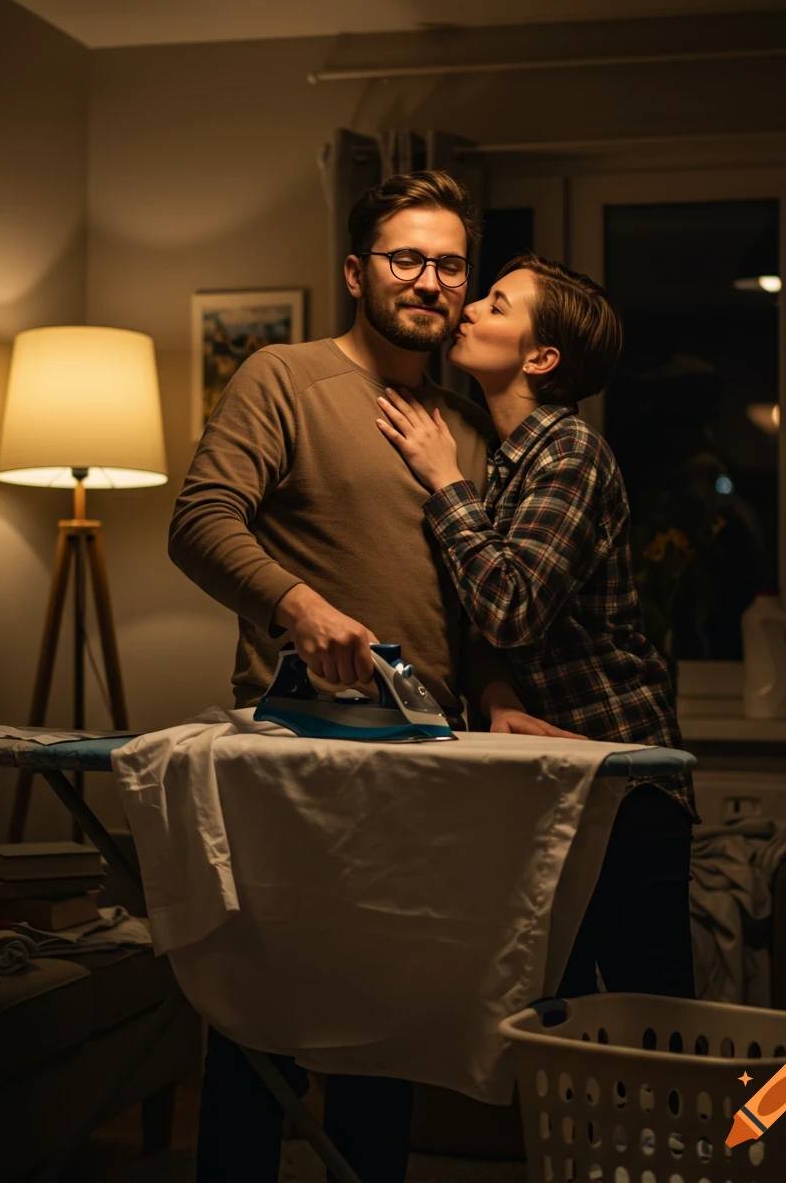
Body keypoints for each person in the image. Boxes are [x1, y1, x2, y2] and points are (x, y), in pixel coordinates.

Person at [168, 173, 570, 1183]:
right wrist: (295, 603)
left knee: (381, 1036)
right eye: (405, 258)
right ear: (357, 270)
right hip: (292, 762)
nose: (429, 281)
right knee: (256, 1035)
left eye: (448, 265)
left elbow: (472, 597)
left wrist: (502, 697)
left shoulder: (464, 427)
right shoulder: (282, 375)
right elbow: (200, 520)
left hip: (418, 764)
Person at [374, 253, 699, 1003]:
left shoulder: (570, 451)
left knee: (649, 1024)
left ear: (541, 356)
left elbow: (511, 610)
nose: (470, 309)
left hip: (621, 781)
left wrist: (442, 478)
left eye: (496, 303)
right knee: (564, 1015)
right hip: (555, 776)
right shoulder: (506, 461)